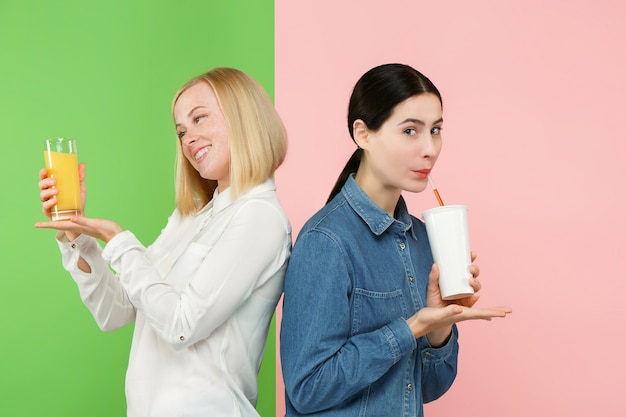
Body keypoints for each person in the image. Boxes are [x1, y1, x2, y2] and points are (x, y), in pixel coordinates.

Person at [36, 67, 291, 417]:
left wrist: (117, 239)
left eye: (200, 119)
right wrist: (76, 236)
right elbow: (116, 311)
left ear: (244, 116)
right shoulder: (190, 217)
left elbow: (181, 325)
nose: (189, 139)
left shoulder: (260, 217)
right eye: (182, 131)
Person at [280, 63, 512, 416]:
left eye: (435, 130)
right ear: (363, 134)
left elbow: (431, 388)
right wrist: (412, 327)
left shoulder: (423, 240)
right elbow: (307, 388)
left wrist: (439, 327)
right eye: (410, 131)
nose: (430, 148)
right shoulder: (326, 242)